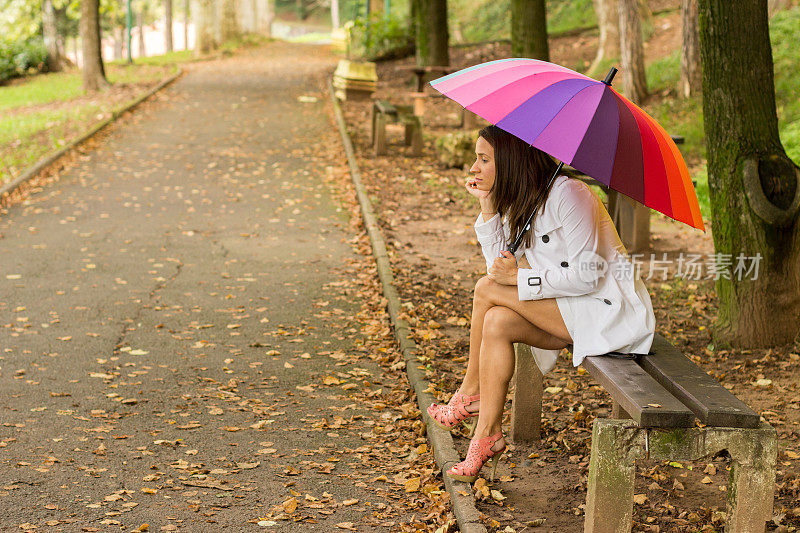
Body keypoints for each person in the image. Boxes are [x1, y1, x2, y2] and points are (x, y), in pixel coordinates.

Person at [427, 125, 655, 483]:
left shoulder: (571, 194)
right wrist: (487, 209)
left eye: (484, 159)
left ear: (510, 161)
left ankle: (469, 392)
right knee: (497, 322)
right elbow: (497, 268)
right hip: (568, 309)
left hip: (607, 311)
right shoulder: (529, 200)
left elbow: (588, 276)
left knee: (486, 291)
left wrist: (519, 279)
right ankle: (487, 433)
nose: (473, 167)